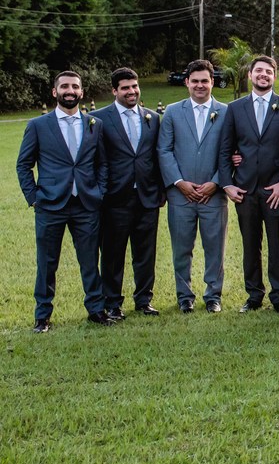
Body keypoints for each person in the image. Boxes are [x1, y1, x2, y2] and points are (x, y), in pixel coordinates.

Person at [16, 70, 110, 332]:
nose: (70, 91)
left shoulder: (94, 124)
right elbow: (24, 165)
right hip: (50, 205)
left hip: (86, 204)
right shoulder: (38, 125)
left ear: (81, 92)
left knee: (90, 259)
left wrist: (99, 191)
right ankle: (42, 315)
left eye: (75, 87)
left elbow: (102, 163)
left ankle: (95, 309)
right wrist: (33, 197)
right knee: (47, 262)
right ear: (55, 92)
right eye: (65, 87)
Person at [218, 55, 279, 314]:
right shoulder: (235, 108)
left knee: (277, 243)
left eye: (268, 71)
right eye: (258, 71)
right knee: (250, 243)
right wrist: (227, 184)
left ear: (274, 77)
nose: (263, 75)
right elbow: (225, 150)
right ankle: (254, 295)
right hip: (244, 189)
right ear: (250, 75)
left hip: (275, 190)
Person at [92, 68, 165, 319]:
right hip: (114, 198)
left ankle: (144, 300)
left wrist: (160, 192)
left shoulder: (152, 118)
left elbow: (157, 157)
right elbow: (94, 160)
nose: (131, 91)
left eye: (134, 86)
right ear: (114, 90)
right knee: (112, 254)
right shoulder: (98, 119)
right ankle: (112, 302)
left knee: (146, 253)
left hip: (147, 196)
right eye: (125, 88)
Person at [157, 60, 229, 313]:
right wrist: (179, 182)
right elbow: (164, 150)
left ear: (212, 83)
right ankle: (184, 296)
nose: (200, 85)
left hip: (214, 195)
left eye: (205, 81)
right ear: (187, 82)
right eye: (195, 81)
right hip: (180, 196)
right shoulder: (173, 112)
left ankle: (213, 296)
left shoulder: (226, 112)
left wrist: (217, 182)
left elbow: (234, 153)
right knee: (181, 249)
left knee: (215, 248)